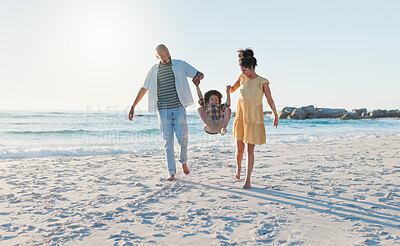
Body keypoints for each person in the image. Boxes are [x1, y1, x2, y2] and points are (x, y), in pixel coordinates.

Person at [128, 44, 204, 181]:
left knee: (183, 139)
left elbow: (199, 74)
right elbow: (144, 88)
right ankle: (172, 172)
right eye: (163, 57)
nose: (166, 58)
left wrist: (198, 78)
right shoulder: (153, 70)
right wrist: (133, 106)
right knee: (168, 141)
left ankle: (184, 162)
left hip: (179, 108)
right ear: (158, 57)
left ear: (169, 51)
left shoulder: (180, 64)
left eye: (167, 54)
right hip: (163, 110)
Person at [228, 48, 279, 189]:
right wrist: (228, 90)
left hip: (254, 118)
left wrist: (275, 114)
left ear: (251, 67)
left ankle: (248, 179)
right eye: (241, 70)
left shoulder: (263, 81)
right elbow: (232, 89)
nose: (243, 72)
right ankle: (238, 169)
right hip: (241, 117)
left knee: (250, 150)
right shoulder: (242, 78)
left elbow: (269, 99)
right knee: (239, 150)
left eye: (245, 70)